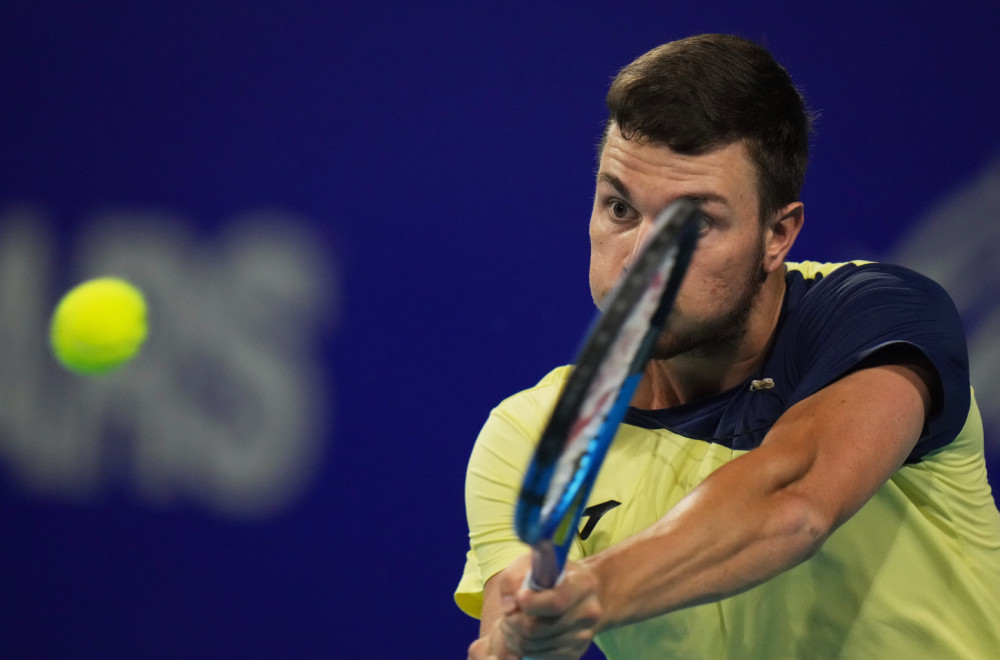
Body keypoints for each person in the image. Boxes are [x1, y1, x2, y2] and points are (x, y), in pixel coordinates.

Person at [455, 33, 1000, 659]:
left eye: (693, 224)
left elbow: (791, 502)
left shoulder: (879, 315)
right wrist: (523, 639)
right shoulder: (526, 434)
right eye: (620, 208)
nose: (641, 261)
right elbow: (515, 628)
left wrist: (593, 589)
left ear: (777, 234)